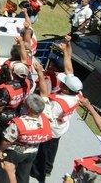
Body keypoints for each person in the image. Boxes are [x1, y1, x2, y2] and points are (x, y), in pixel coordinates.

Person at [32, 39, 83, 182]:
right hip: (62, 127)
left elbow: (43, 97)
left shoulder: (59, 102)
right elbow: (69, 69)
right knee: (52, 149)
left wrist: (40, 74)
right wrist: (66, 50)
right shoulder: (77, 93)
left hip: (52, 128)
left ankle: (39, 172)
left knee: (43, 150)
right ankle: (48, 168)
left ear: (66, 88)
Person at [0, 93, 53, 183]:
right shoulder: (46, 120)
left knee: (7, 172)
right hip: (33, 151)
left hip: (15, 152)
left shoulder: (18, 124)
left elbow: (7, 142)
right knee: (24, 174)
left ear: (29, 108)